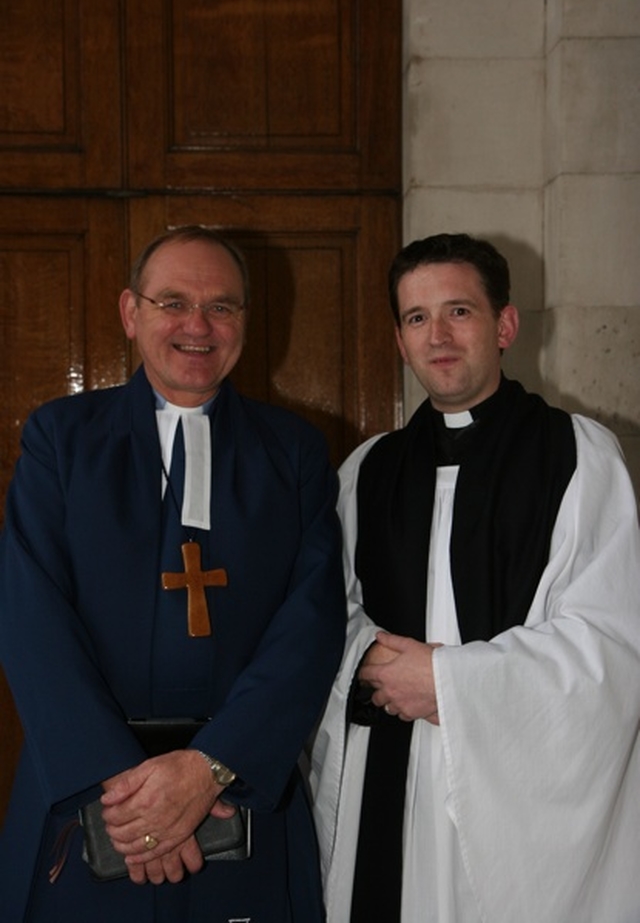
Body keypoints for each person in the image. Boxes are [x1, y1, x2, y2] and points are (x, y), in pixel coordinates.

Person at [0, 225, 346, 923]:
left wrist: (209, 766)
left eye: (222, 306)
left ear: (246, 321)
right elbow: (31, 617)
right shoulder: (61, 440)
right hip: (91, 801)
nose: (198, 325)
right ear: (132, 312)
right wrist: (126, 793)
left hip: (237, 798)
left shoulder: (295, 454)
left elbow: (309, 626)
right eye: (172, 303)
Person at [310, 233, 640, 923]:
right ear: (400, 341)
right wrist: (368, 658)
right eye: (417, 317)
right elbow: (320, 605)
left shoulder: (579, 457)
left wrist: (452, 684)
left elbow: (612, 641)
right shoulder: (367, 469)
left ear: (506, 325)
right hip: (386, 771)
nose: (438, 336)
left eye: (459, 311)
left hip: (513, 784)